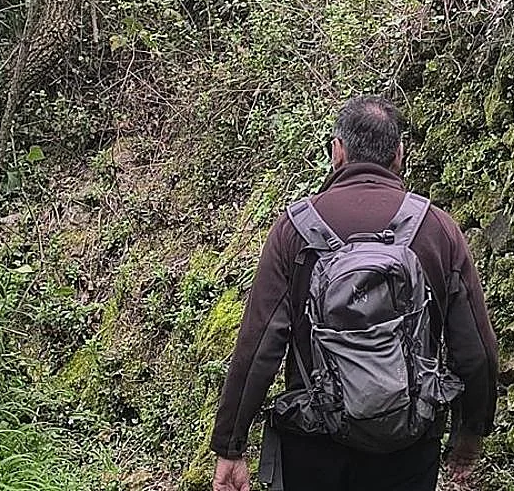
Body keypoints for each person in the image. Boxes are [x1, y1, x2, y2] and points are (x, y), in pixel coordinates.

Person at [210, 95, 498, 491]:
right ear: (399, 155)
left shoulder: (294, 230)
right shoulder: (437, 228)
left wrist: (231, 444)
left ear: (337, 152)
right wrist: (470, 432)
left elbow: (260, 344)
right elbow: (477, 349)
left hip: (315, 442)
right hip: (408, 442)